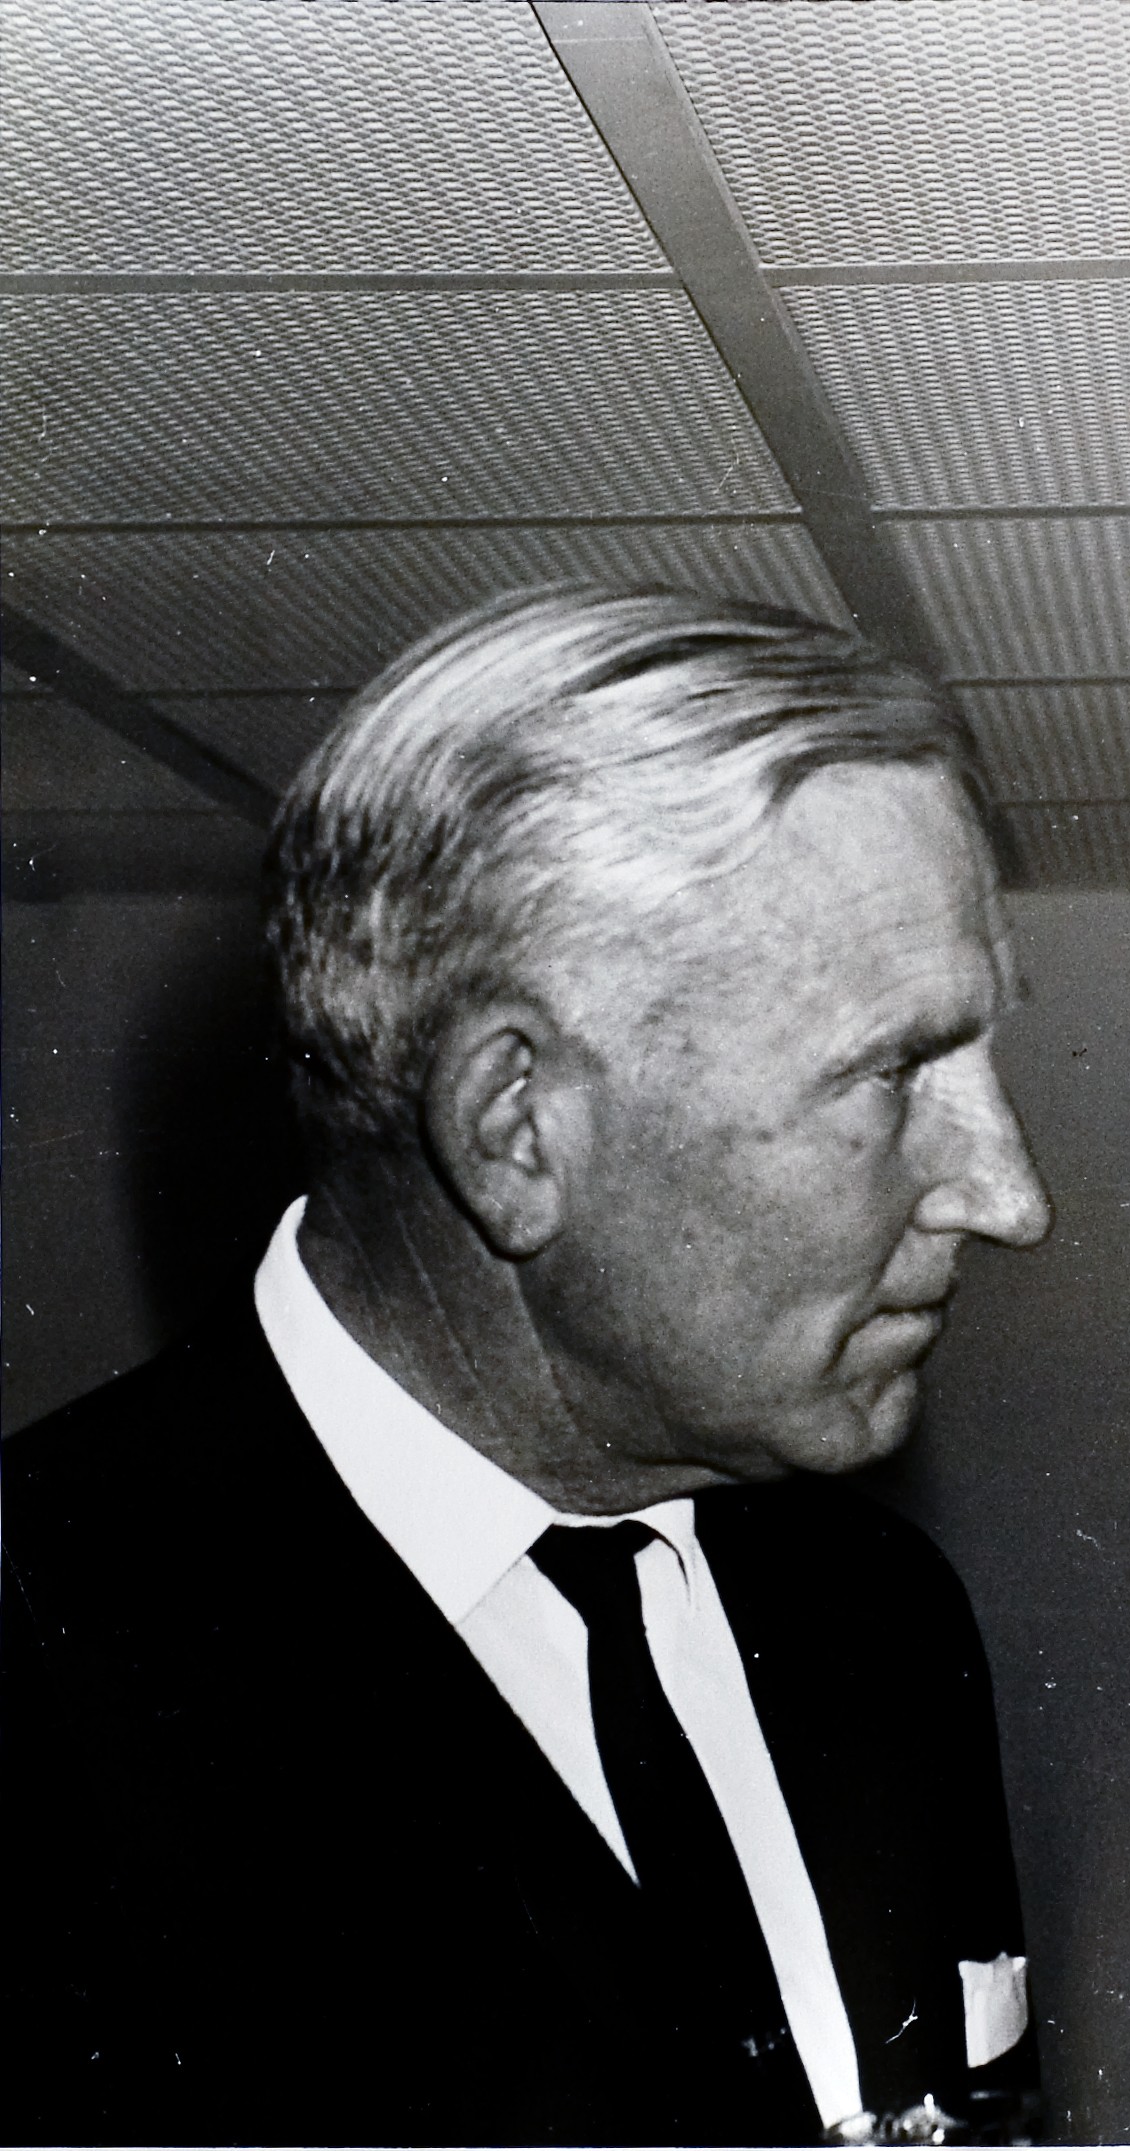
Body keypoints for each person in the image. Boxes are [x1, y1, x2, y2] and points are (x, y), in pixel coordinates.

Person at [4, 585, 1057, 2146]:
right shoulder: (39, 1686)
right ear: (514, 1129)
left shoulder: (881, 1617)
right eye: (896, 1073)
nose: (1013, 1196)